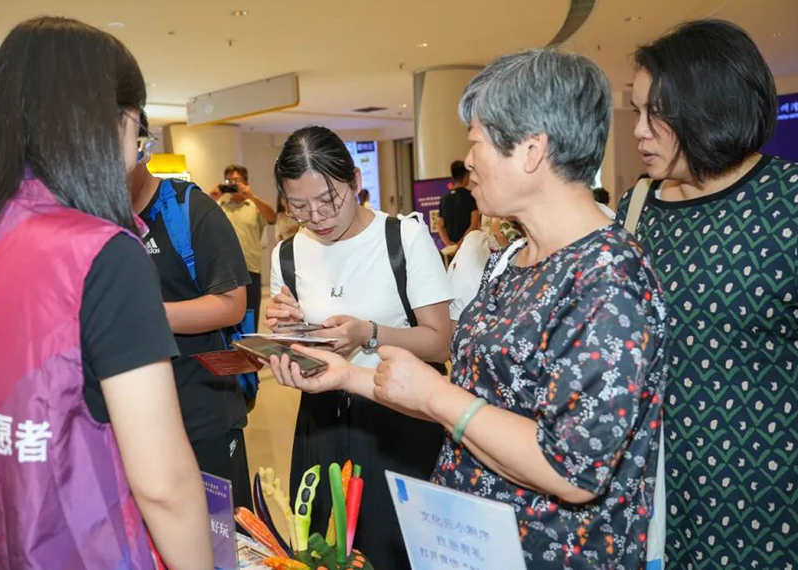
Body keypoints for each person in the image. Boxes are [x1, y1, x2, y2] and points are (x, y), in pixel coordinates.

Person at [269, 50, 668, 570]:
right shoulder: (512, 258)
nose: (468, 162)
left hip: (550, 551)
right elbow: (471, 401)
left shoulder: (608, 277)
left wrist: (434, 392)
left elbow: (573, 469)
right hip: (473, 540)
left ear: (532, 150)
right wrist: (348, 377)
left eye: (477, 142)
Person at [0, 17, 211, 570]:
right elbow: (163, 485)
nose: (135, 154)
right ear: (108, 123)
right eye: (137, 133)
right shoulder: (101, 255)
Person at [616, 20, 797, 569]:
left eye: (655, 114)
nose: (638, 132)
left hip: (768, 500)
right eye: (636, 111)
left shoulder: (788, 202)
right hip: (654, 497)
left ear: (708, 107)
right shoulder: (636, 210)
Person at [265, 125, 452, 570]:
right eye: (299, 206)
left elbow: (440, 342)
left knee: (397, 551)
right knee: (323, 549)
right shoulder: (287, 255)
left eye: (328, 199)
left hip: (399, 417)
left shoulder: (402, 238)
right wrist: (287, 337)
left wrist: (369, 333)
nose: (317, 217)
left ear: (355, 180)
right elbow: (292, 344)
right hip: (322, 423)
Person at [129, 117, 253, 511]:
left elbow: (232, 302)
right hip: (137, 416)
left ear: (140, 149)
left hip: (203, 411)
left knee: (222, 531)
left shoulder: (189, 209)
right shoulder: (99, 219)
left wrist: (145, 316)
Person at [211, 164, 276, 333]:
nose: (233, 184)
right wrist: (212, 197)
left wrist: (251, 196)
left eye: (237, 180)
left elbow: (272, 218)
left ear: (245, 182)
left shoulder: (254, 206)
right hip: (225, 271)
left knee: (250, 314)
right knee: (226, 316)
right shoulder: (219, 206)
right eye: (229, 181)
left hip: (250, 268)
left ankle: (249, 346)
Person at [438, 160, 479, 248]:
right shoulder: (471, 196)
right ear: (466, 176)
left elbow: (440, 225)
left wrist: (448, 243)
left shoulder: (444, 199)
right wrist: (460, 243)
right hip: (468, 246)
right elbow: (474, 224)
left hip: (452, 249)